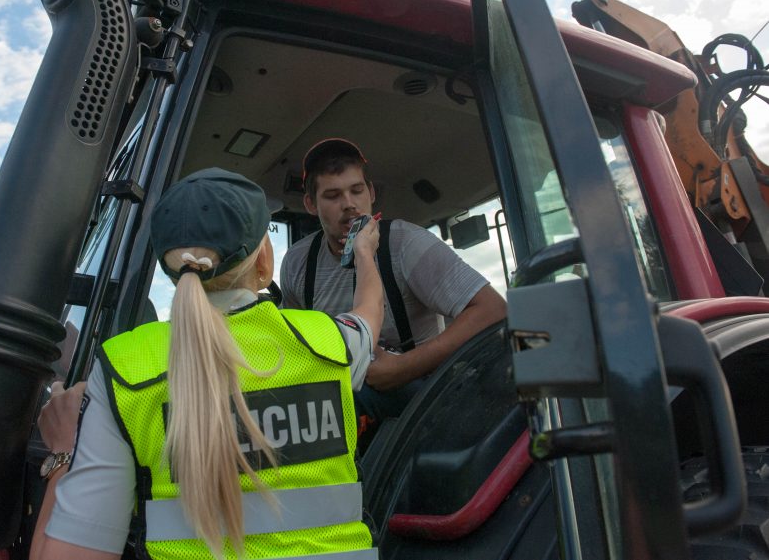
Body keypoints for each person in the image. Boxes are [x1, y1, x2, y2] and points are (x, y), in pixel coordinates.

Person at [30, 168, 384, 560]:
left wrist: (64, 453)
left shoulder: (124, 369)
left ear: (171, 270)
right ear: (264, 260)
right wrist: (364, 254)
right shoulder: (331, 343)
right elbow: (369, 310)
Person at [280, 138, 507, 420]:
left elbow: (493, 309)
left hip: (417, 393)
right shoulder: (297, 261)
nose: (349, 204)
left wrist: (402, 368)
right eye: (332, 196)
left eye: (357, 190)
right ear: (311, 204)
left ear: (371, 193)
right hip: (338, 392)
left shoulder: (404, 243)